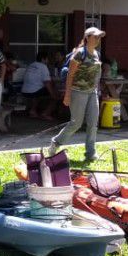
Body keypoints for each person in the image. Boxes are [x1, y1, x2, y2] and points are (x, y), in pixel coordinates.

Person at [48, 26, 105, 162]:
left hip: (92, 93)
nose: (98, 39)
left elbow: (97, 73)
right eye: (95, 36)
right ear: (87, 38)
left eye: (99, 37)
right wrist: (67, 95)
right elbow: (70, 75)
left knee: (93, 123)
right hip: (78, 92)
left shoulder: (97, 54)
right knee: (76, 123)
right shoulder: (80, 53)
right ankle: (55, 143)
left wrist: (98, 89)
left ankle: (90, 153)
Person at [21, 51, 58, 120]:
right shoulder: (43, 67)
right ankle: (46, 113)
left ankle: (33, 111)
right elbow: (47, 82)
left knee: (38, 92)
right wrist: (53, 94)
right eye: (47, 59)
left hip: (24, 91)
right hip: (34, 92)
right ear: (43, 59)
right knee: (55, 95)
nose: (48, 60)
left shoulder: (31, 65)